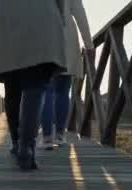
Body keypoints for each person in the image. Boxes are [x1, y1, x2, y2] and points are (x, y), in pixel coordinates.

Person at [0, 0, 67, 170]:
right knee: (35, 84)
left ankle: (16, 142)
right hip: (42, 14)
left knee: (12, 83)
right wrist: (62, 17)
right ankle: (27, 147)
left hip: (5, 15)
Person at [40, 0, 94, 150]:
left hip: (44, 35)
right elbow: (80, 14)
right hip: (66, 38)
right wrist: (89, 44)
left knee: (47, 90)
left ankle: (46, 137)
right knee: (63, 91)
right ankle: (60, 134)